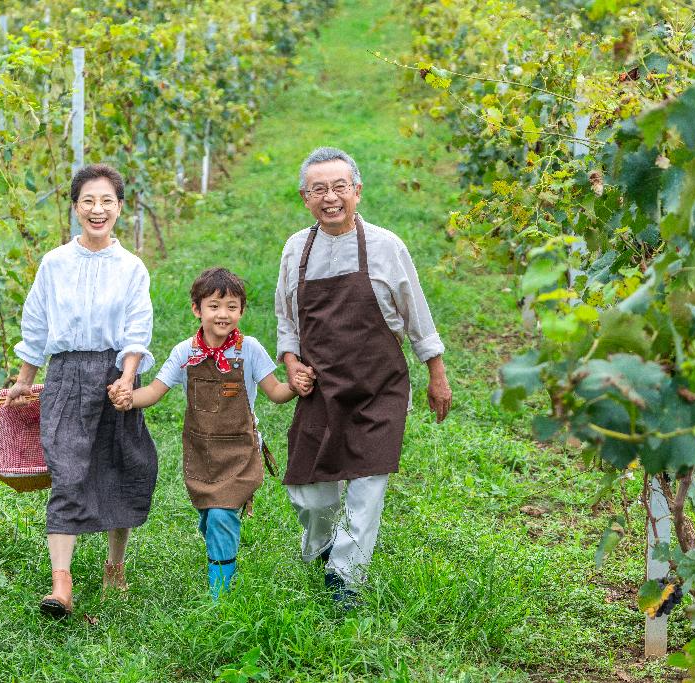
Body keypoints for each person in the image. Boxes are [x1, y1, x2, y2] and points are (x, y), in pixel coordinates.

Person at [275, 146, 453, 607]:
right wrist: (291, 363)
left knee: (368, 484)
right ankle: (320, 548)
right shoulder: (296, 248)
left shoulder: (386, 246)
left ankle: (346, 578)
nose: (330, 198)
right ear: (304, 198)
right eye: (319, 190)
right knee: (309, 491)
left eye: (340, 187)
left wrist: (436, 372)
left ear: (357, 191)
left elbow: (417, 313)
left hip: (379, 385)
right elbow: (286, 319)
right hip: (321, 385)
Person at [5, 163, 158, 618]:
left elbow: (137, 328)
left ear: (119, 208)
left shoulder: (131, 267)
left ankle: (115, 567)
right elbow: (35, 325)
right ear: (74, 208)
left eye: (106, 201)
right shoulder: (54, 264)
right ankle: (61, 587)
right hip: (67, 375)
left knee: (122, 465)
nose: (97, 209)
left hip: (114, 374)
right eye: (88, 201)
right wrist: (24, 380)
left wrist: (128, 378)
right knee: (67, 471)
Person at [109, 267, 312, 598]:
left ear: (242, 311)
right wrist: (129, 397)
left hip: (240, 453)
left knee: (220, 516)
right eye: (214, 306)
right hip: (202, 453)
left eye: (232, 306)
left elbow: (275, 392)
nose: (223, 314)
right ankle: (222, 552)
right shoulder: (184, 352)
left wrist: (296, 386)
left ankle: (221, 599)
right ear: (197, 309)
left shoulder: (249, 349)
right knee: (211, 519)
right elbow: (155, 392)